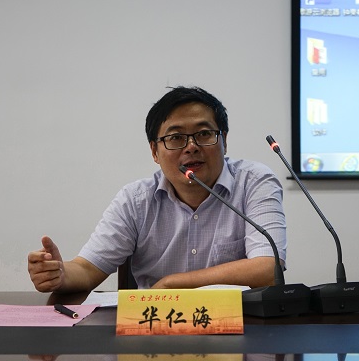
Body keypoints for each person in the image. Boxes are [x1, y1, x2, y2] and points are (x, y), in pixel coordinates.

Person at [28, 86, 286, 292]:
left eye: (204, 134)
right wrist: (60, 274)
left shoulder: (254, 182)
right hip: (155, 328)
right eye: (176, 138)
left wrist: (173, 284)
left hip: (241, 328)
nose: (192, 147)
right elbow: (87, 269)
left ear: (224, 141)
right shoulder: (135, 200)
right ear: (154, 151)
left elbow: (268, 269)